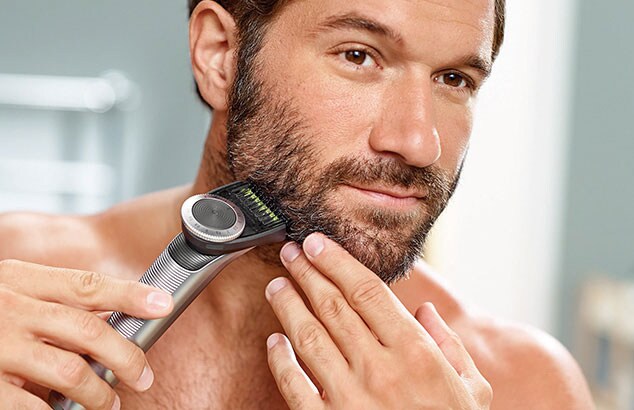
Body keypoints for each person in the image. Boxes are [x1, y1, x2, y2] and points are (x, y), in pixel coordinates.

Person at [0, 0, 594, 408]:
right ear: (220, 54)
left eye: (454, 80)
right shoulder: (15, 284)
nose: (418, 142)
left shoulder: (524, 387)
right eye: (359, 56)